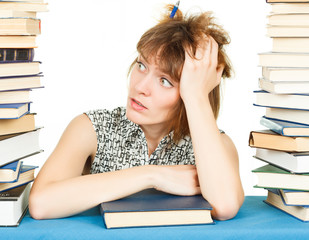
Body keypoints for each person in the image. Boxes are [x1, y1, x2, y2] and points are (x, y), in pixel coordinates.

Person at [29, 4, 244, 221]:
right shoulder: (92, 128)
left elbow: (224, 207)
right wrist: (152, 175)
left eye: (165, 81)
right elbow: (41, 204)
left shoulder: (217, 145)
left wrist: (197, 97)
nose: (141, 87)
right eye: (141, 66)